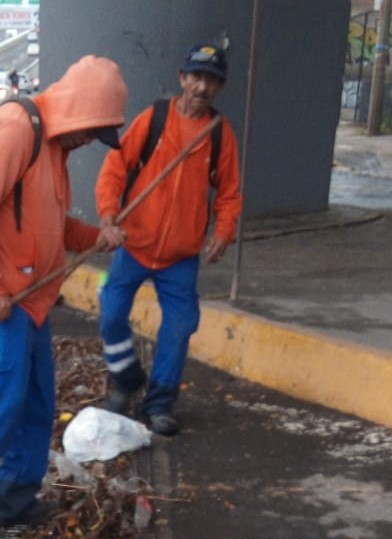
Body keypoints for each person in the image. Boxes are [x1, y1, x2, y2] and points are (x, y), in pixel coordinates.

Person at [0, 55, 129, 539]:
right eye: (92, 131)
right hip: (0, 296)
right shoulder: (16, 128)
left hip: (30, 299)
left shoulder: (53, 148)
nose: (88, 143)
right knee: (5, 393)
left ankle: (12, 499)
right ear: (79, 111)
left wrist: (95, 235)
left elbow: (49, 229)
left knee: (37, 400)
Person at [94, 43, 243, 436]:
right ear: (182, 79)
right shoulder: (154, 119)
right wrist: (109, 217)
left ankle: (159, 403)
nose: (202, 87)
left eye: (211, 80)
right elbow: (114, 168)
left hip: (180, 257)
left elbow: (229, 192)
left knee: (179, 327)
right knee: (110, 313)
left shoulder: (219, 133)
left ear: (219, 88)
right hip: (133, 246)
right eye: (196, 77)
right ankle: (126, 377)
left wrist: (223, 231)